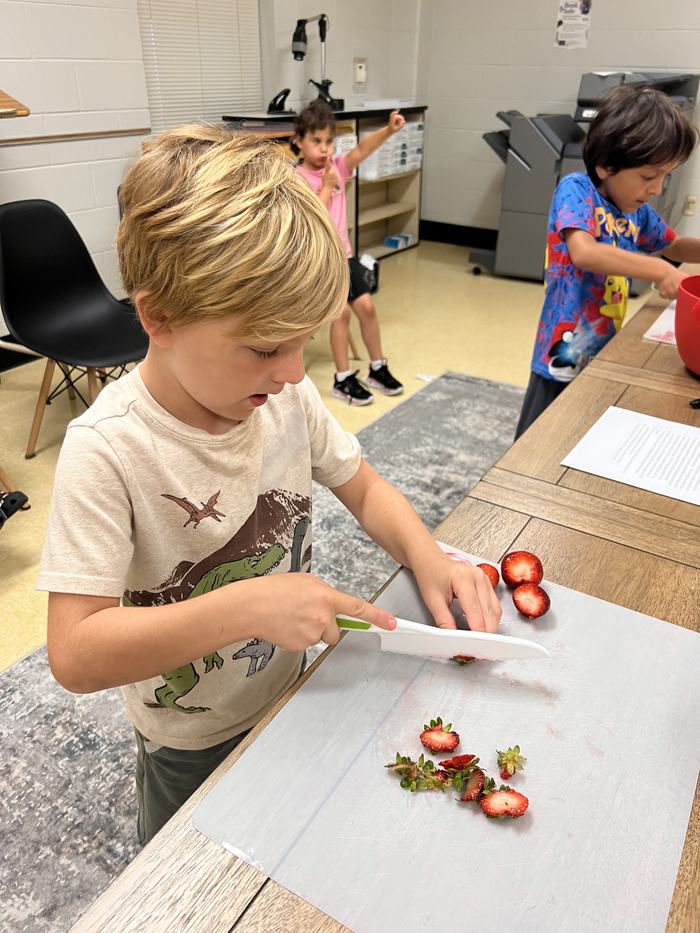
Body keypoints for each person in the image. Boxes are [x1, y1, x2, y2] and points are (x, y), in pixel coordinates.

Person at [37, 125, 501, 846]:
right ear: (158, 315)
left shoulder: (282, 396)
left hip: (293, 687)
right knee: (195, 872)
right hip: (190, 741)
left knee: (296, 839)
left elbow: (368, 489)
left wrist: (430, 556)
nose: (293, 371)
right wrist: (246, 604)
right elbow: (75, 651)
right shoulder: (108, 450)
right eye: (264, 347)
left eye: (302, 341)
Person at [514, 85, 700, 439]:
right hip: (561, 352)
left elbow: (674, 246)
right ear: (605, 166)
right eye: (648, 177)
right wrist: (658, 269)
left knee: (579, 432)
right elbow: (584, 252)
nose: (657, 189)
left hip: (603, 345)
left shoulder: (636, 212)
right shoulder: (576, 190)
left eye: (666, 176)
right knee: (536, 438)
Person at [292, 100, 405, 405]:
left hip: (344, 256)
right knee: (340, 313)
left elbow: (361, 151)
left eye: (329, 141)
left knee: (366, 307)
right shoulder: (298, 179)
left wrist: (388, 131)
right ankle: (342, 379)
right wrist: (327, 187)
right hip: (317, 263)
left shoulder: (337, 167)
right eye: (316, 141)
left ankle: (377, 368)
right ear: (299, 142)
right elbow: (313, 218)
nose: (324, 149)